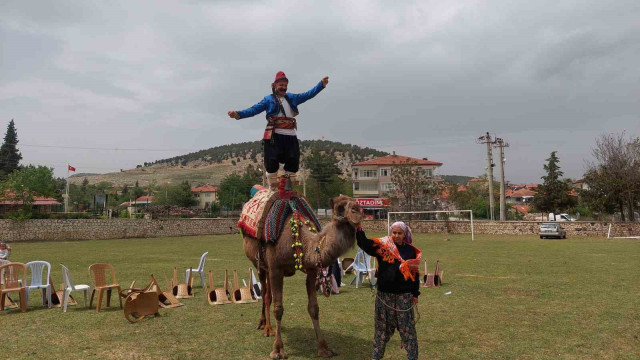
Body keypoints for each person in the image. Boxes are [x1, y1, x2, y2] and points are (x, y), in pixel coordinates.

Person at [228, 71, 329, 189]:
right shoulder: (268, 100)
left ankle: (288, 183)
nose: (283, 88)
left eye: (285, 85)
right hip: (274, 135)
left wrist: (321, 85)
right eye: (281, 85)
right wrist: (238, 114)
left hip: (290, 135)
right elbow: (253, 110)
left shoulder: (292, 98)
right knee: (272, 160)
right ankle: (272, 185)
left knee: (293, 158)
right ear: (275, 85)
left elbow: (308, 94)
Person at [356, 221, 421, 360]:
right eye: (394, 232)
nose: (396, 235)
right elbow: (365, 244)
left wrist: (415, 294)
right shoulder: (383, 246)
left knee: (408, 330)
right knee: (381, 331)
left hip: (404, 297)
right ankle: (376, 357)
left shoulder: (410, 251)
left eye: (399, 233)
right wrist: (359, 229)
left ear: (405, 234)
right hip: (384, 297)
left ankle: (412, 357)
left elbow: (414, 275)